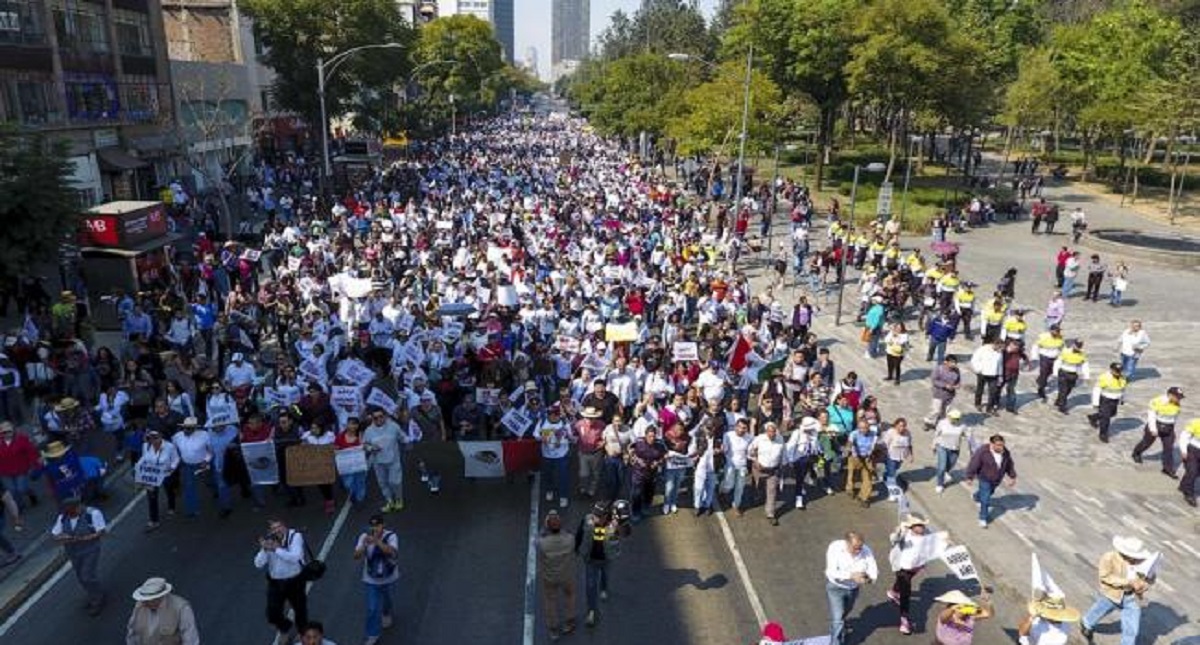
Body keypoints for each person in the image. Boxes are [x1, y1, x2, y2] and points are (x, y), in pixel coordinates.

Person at [1080, 536, 1156, 645]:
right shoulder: (1109, 558)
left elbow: (1151, 578)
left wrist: (1145, 585)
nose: (1135, 560)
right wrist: (1129, 582)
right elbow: (1105, 577)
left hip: (1132, 598)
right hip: (1112, 594)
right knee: (1099, 611)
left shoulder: (1144, 562)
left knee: (1131, 629)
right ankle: (1086, 623)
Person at [254, 518, 309, 645]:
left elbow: (295, 557)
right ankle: (285, 628)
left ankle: (302, 633)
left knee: (300, 609)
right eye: (273, 529)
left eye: (279, 527)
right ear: (269, 531)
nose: (277, 530)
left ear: (285, 526)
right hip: (276, 583)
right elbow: (258, 564)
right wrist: (264, 549)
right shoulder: (270, 541)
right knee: (272, 613)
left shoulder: (295, 537)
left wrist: (276, 550)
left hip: (295, 580)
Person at [51, 495, 107, 615]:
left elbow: (101, 531)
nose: (79, 509)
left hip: (90, 550)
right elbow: (55, 535)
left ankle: (98, 599)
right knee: (81, 577)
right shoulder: (62, 518)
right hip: (73, 552)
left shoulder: (93, 514)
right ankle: (93, 594)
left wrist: (84, 538)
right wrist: (63, 537)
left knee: (87, 576)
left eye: (77, 507)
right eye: (71, 510)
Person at [574, 501, 624, 627]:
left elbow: (625, 534)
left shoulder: (614, 524)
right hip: (590, 559)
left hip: (606, 559)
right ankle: (591, 610)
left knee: (605, 575)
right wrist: (576, 548)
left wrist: (619, 526)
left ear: (606, 516)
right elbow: (579, 534)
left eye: (599, 516)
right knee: (590, 585)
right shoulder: (587, 520)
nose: (595, 518)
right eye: (594, 515)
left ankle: (604, 588)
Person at [824, 531, 878, 645]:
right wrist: (852, 576)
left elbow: (874, 571)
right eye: (855, 548)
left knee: (844, 613)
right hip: (835, 588)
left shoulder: (866, 550)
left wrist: (866, 579)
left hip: (853, 589)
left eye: (860, 548)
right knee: (838, 618)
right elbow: (831, 571)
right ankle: (836, 642)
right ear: (847, 543)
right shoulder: (835, 548)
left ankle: (838, 628)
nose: (858, 551)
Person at [887, 514, 938, 635]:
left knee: (904, 581)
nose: (922, 528)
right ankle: (904, 620)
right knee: (906, 593)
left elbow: (935, 542)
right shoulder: (905, 533)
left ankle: (893, 592)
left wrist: (946, 541)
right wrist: (898, 531)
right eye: (919, 525)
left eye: (923, 525)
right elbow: (893, 539)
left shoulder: (926, 534)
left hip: (915, 567)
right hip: (901, 567)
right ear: (912, 526)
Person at [354, 513, 399, 645]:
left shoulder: (391, 536)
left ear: (383, 525)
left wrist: (377, 541)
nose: (375, 528)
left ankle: (386, 612)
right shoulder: (364, 537)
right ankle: (372, 635)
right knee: (372, 607)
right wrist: (363, 546)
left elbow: (392, 552)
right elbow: (356, 556)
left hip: (388, 576)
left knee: (386, 599)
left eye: (378, 525)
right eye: (372, 525)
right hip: (371, 578)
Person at [536, 510, 577, 641]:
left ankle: (553, 629)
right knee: (570, 596)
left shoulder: (543, 543)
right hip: (566, 575)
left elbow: (539, 543)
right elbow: (569, 535)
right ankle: (569, 621)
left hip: (550, 577)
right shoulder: (569, 540)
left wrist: (544, 527)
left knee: (550, 601)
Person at [125, 576, 200, 645]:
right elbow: (132, 634)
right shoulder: (139, 607)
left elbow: (191, 641)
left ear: (158, 598)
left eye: (147, 600)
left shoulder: (181, 608)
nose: (143, 602)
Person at [964, 434, 1017, 528]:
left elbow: (1009, 464)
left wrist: (1012, 477)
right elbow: (974, 463)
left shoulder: (1005, 452)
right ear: (992, 444)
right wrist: (970, 477)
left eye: (1002, 445)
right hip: (985, 478)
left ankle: (976, 496)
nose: (1001, 447)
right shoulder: (983, 452)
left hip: (997, 479)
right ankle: (983, 518)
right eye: (998, 445)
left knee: (988, 493)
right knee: (986, 499)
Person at [1131, 386, 1184, 477]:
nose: (1179, 399)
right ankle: (1136, 453)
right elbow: (1151, 416)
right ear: (1170, 395)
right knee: (1146, 443)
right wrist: (1153, 429)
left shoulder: (1177, 403)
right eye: (1177, 397)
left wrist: (1171, 428)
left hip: (1168, 427)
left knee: (1168, 448)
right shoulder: (1157, 401)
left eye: (1180, 397)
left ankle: (1167, 469)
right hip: (1156, 424)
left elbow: (1175, 416)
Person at [363, 408, 406, 512]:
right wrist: (371, 448)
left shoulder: (394, 426)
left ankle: (399, 499)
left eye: (381, 416)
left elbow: (403, 437)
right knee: (383, 483)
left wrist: (409, 438)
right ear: (372, 419)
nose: (378, 419)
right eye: (375, 417)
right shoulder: (368, 430)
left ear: (385, 416)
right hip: (378, 462)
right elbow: (364, 444)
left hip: (393, 460)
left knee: (394, 482)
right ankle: (389, 501)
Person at [136, 429, 179, 532]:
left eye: (156, 437)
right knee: (151, 497)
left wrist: (172, 467)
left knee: (169, 490)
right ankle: (154, 520)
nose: (153, 440)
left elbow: (176, 459)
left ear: (161, 437)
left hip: (166, 474)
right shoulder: (145, 446)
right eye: (151, 438)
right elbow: (144, 458)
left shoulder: (169, 446)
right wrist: (139, 466)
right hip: (152, 476)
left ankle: (171, 506)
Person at [747, 422, 784, 525]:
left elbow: (783, 453)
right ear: (766, 431)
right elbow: (750, 451)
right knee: (758, 486)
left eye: (774, 432)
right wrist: (755, 460)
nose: (772, 434)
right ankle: (756, 496)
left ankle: (770, 514)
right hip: (759, 469)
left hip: (773, 470)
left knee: (772, 491)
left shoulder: (780, 439)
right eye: (770, 432)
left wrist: (782, 465)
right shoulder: (759, 439)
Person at [932, 410, 973, 493]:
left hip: (955, 449)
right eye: (953, 418)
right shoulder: (942, 423)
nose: (955, 420)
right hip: (942, 446)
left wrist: (971, 448)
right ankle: (940, 484)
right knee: (942, 466)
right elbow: (937, 434)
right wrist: (933, 444)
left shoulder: (962, 425)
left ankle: (945, 473)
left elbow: (969, 437)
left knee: (950, 464)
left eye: (957, 418)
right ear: (949, 416)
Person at [1088, 363, 1126, 443]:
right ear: (1111, 370)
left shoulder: (1122, 378)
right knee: (1106, 418)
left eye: (1119, 371)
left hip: (1115, 400)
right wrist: (1095, 403)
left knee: (1112, 414)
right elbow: (1096, 390)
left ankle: (1093, 417)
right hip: (1105, 400)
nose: (1118, 373)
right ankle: (1103, 434)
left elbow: (1122, 389)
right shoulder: (1104, 378)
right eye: (1116, 371)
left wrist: (1122, 399)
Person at [924, 355, 961, 429]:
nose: (953, 364)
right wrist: (945, 385)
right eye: (952, 362)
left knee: (945, 412)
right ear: (946, 362)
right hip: (939, 394)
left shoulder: (956, 371)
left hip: (950, 395)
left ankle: (940, 425)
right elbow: (934, 380)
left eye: (955, 363)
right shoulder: (939, 369)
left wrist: (957, 386)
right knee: (936, 410)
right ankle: (928, 422)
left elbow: (958, 381)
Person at [1180, 418, 1200, 507]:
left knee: (1197, 472)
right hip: (1193, 450)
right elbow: (1184, 436)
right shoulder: (1196, 423)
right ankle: (1189, 494)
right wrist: (1184, 450)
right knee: (1192, 471)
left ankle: (1183, 485)